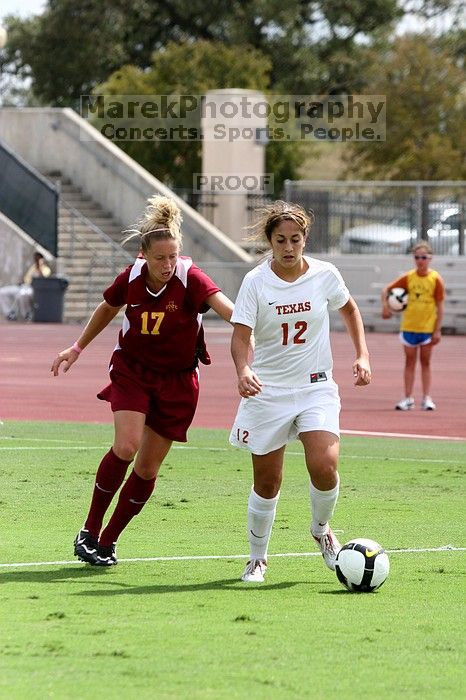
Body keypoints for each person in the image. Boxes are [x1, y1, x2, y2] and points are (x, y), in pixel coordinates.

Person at [51, 195, 235, 566]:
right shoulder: (132, 277)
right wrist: (77, 348)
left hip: (179, 381)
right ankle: (88, 528)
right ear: (143, 255)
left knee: (148, 468)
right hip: (133, 371)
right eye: (159, 258)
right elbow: (107, 307)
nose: (167, 265)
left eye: (172, 257)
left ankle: (107, 541)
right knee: (126, 445)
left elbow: (228, 309)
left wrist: (257, 322)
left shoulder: (191, 278)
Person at [229, 200, 371, 583]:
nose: (288, 247)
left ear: (305, 238)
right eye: (280, 240)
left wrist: (362, 355)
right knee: (267, 481)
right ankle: (257, 559)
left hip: (316, 387)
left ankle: (322, 530)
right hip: (268, 391)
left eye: (295, 239)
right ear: (270, 242)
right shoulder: (256, 282)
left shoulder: (325, 274)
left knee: (325, 466)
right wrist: (243, 369)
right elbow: (241, 336)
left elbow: (350, 309)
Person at [381, 242, 445, 411]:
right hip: (409, 326)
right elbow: (386, 289)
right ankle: (408, 398)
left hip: (427, 329)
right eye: (417, 257)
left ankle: (426, 398)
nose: (420, 260)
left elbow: (440, 306)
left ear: (430, 258)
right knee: (409, 362)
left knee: (426, 362)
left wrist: (437, 330)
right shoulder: (409, 277)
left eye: (423, 257)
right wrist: (386, 307)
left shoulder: (435, 279)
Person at [0, 251, 51, 321]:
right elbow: (26, 279)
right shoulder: (33, 267)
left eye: (39, 258)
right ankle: (9, 313)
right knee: (2, 292)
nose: (37, 259)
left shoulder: (46, 269)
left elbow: (43, 278)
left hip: (33, 288)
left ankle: (27, 314)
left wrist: (39, 267)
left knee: (22, 295)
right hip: (23, 286)